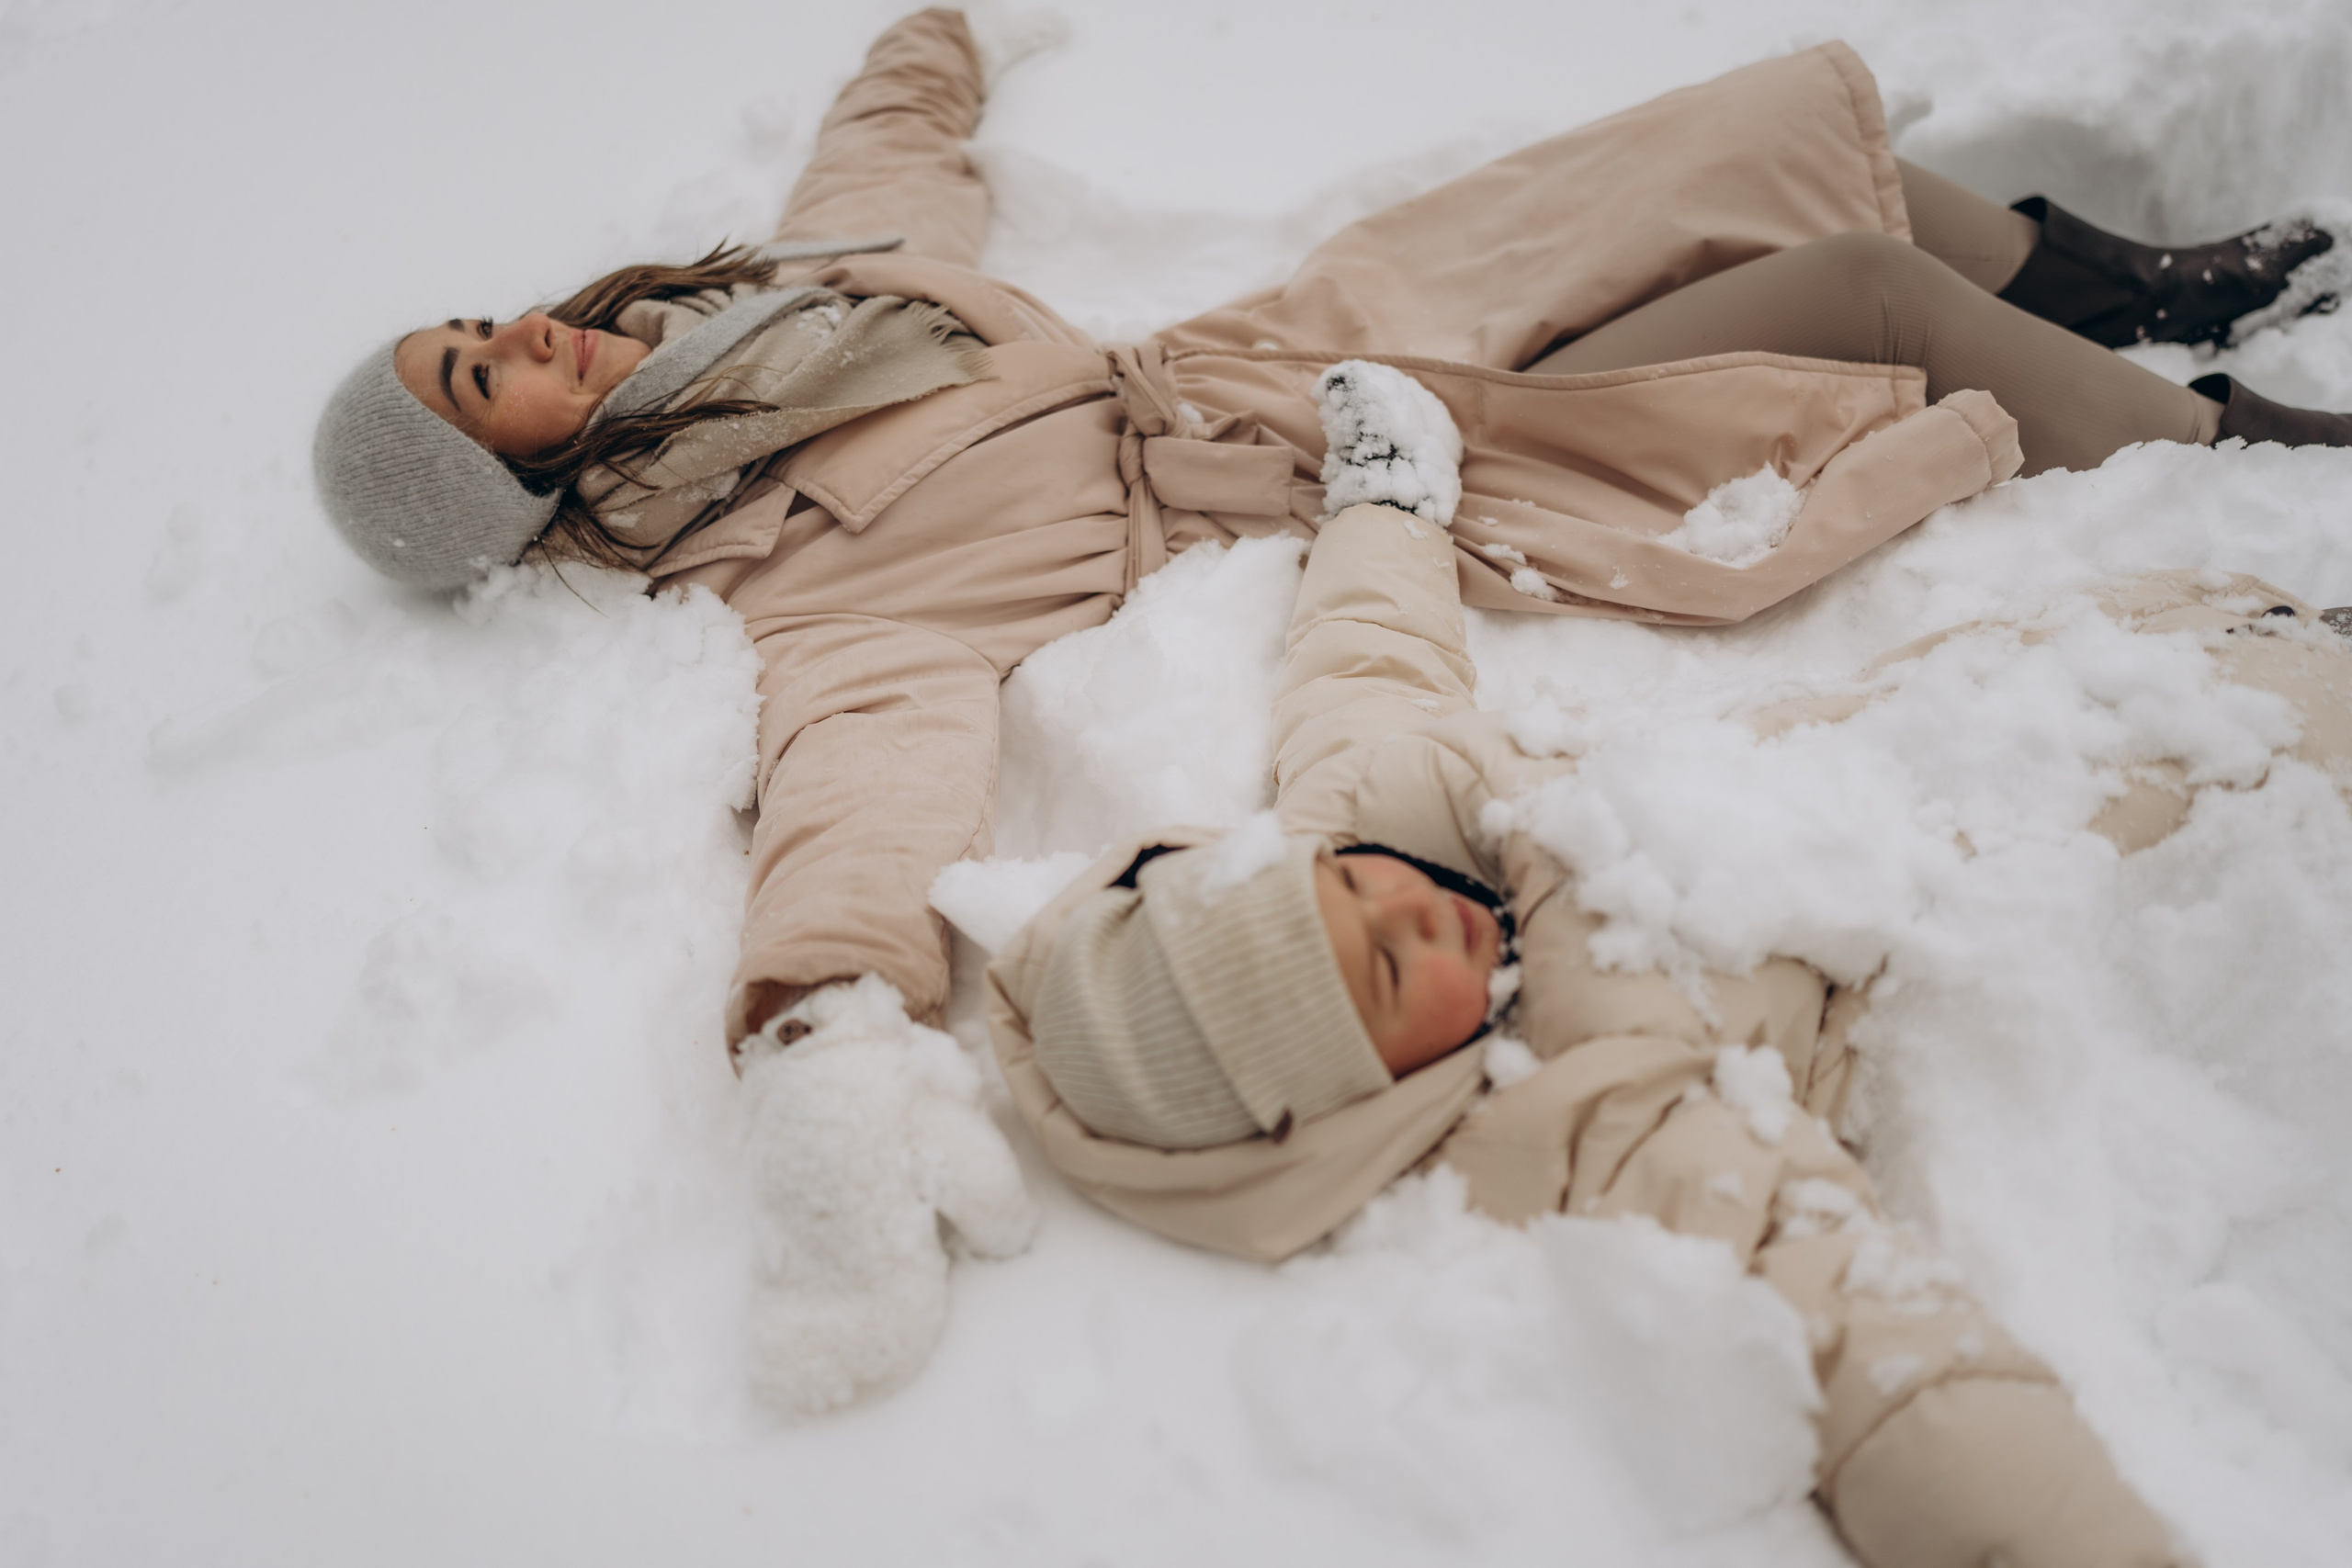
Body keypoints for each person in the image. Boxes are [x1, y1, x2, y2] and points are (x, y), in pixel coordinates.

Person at [312, 9, 2352, 1070]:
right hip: (1368, 443)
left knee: (1731, 146)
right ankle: (2240, 454)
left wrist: (935, 29)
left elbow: (885, 160)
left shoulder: (768, 310)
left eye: (476, 327)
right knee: (1847, 297)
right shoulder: (793, 573)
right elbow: (862, 773)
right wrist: (822, 995)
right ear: (514, 490)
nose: (525, 335)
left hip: (1313, 322)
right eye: (485, 380)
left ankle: (2122, 280)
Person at [986, 361, 2352, 1568]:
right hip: (2038, 834)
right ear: (1366, 1095)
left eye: (1355, 890)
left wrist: (1386, 507)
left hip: (1944, 707)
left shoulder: (1381, 813)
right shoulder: (1605, 1112)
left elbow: (1367, 656)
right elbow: (1884, 1364)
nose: (1421, 913)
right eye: (1393, 977)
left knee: (2163, 634)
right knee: (2252, 708)